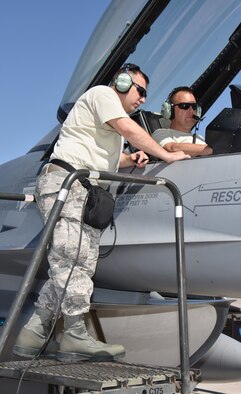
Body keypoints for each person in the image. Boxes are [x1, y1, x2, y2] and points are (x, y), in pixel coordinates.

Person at [13, 64, 190, 363]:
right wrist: (167, 154)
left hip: (86, 190)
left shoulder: (108, 122)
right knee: (72, 259)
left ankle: (34, 331)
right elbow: (129, 128)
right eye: (140, 90)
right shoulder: (101, 95)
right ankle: (74, 335)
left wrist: (129, 158)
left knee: (76, 263)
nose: (143, 99)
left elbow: (104, 157)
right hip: (67, 183)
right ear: (121, 83)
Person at [153, 86, 213, 157]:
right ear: (170, 110)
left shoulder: (200, 138)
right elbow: (172, 148)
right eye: (185, 106)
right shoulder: (161, 133)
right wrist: (211, 150)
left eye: (194, 106)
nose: (191, 111)